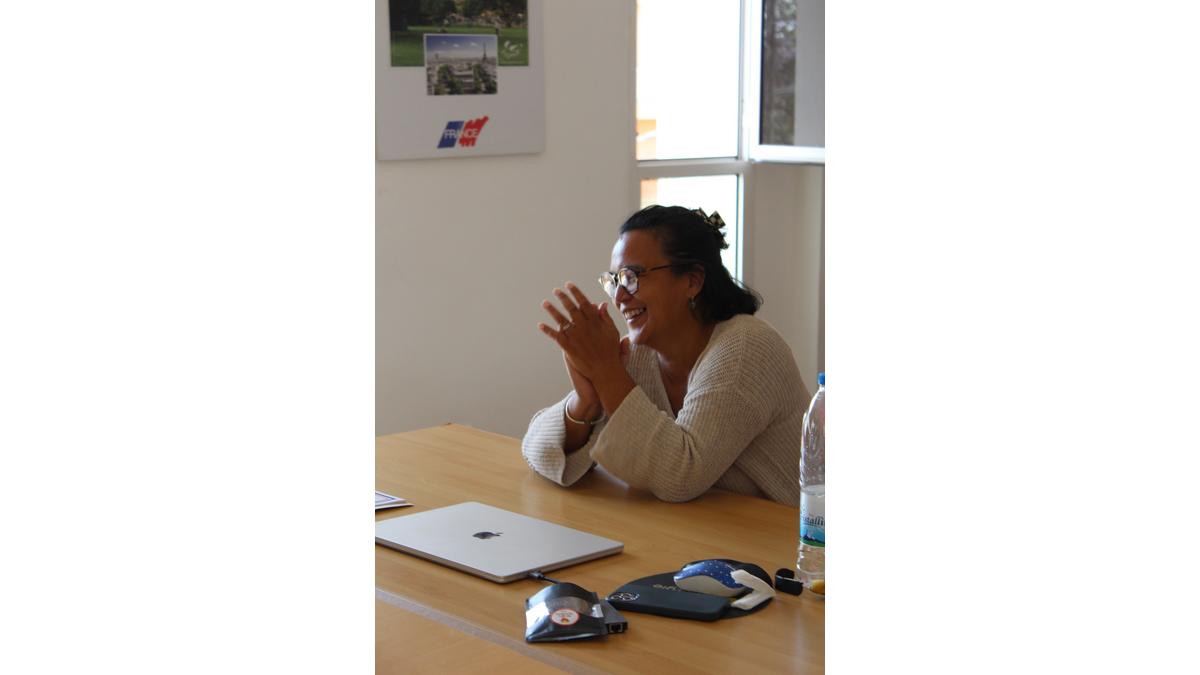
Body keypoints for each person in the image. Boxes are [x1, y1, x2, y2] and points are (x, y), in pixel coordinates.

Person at [522, 205, 810, 504]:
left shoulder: (746, 348)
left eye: (631, 276)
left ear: (692, 281)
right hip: (708, 526)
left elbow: (681, 476)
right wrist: (586, 402)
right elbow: (536, 451)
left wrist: (606, 372)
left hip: (796, 530)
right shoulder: (637, 355)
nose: (619, 296)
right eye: (614, 281)